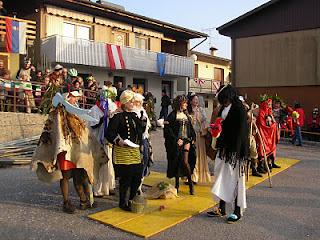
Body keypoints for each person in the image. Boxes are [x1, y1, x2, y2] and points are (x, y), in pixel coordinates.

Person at [32, 90, 107, 213]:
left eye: (76, 98)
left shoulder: (77, 114)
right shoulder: (57, 114)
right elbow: (51, 130)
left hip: (77, 150)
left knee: (80, 174)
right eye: (74, 97)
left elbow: (84, 131)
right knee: (65, 176)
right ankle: (66, 202)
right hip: (65, 151)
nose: (76, 100)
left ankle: (84, 200)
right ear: (67, 98)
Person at [207, 85, 248, 223]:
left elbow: (241, 132)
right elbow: (221, 125)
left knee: (235, 180)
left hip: (235, 151)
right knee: (221, 177)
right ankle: (221, 208)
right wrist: (216, 129)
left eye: (224, 100)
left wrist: (235, 152)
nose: (223, 103)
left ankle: (237, 211)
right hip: (223, 149)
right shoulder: (224, 108)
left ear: (229, 97)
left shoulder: (239, 109)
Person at [106, 90, 146, 211]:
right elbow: (110, 133)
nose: (133, 102)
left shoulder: (135, 115)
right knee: (126, 179)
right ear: (125, 102)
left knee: (137, 176)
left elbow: (140, 132)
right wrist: (119, 141)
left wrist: (143, 122)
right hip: (122, 151)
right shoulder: (118, 116)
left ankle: (132, 199)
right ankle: (123, 202)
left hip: (134, 151)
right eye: (131, 101)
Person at [164, 95, 196, 195]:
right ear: (179, 103)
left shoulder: (186, 115)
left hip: (186, 141)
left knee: (185, 161)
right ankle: (177, 185)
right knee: (177, 161)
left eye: (186, 102)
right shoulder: (172, 115)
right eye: (184, 102)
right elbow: (168, 130)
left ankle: (190, 184)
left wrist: (193, 138)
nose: (186, 104)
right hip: (177, 142)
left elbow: (190, 128)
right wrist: (176, 139)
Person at [187, 93, 211, 184]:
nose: (196, 101)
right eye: (194, 99)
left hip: (199, 136)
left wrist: (204, 129)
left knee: (198, 155)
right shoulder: (187, 111)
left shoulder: (201, 110)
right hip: (189, 136)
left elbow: (204, 122)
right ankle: (189, 176)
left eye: (197, 100)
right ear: (190, 101)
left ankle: (196, 176)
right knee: (189, 156)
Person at [132, 93, 153, 194]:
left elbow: (147, 128)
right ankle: (134, 185)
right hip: (134, 141)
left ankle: (139, 185)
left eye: (140, 102)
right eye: (137, 102)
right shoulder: (132, 112)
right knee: (136, 163)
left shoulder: (143, 112)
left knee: (145, 160)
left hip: (144, 140)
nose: (139, 103)